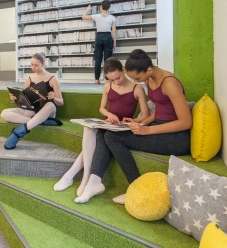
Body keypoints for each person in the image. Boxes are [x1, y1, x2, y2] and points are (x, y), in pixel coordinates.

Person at [81, 49, 193, 204]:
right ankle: (95, 180)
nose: (135, 81)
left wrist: (147, 130)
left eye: (137, 78)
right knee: (106, 133)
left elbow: (186, 122)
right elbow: (161, 111)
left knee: (112, 138)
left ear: (148, 69)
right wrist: (138, 122)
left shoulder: (170, 83)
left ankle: (136, 188)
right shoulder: (149, 79)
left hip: (177, 138)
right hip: (158, 126)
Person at [53, 57, 149, 203]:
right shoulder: (107, 87)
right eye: (112, 79)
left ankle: (72, 177)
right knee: (88, 129)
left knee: (100, 138)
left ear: (123, 70)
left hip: (124, 127)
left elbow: (146, 115)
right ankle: (86, 179)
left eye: (118, 77)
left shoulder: (138, 89)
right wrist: (109, 114)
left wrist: (133, 121)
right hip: (108, 123)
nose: (116, 82)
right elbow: (102, 108)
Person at [3, 53, 64, 150]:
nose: (33, 67)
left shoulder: (53, 78)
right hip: (33, 111)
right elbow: (25, 100)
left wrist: (54, 98)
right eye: (31, 65)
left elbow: (61, 102)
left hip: (48, 111)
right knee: (4, 113)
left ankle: (19, 132)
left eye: (36, 65)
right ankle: (40, 122)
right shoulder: (28, 79)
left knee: (50, 105)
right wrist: (15, 99)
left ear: (44, 64)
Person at [82, 0, 116, 84]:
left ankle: (96, 79)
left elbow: (83, 17)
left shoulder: (97, 16)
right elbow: (114, 31)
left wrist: (88, 9)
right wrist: (115, 42)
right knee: (108, 60)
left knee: (98, 59)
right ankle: (107, 80)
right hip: (108, 37)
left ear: (101, 7)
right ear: (108, 8)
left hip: (99, 37)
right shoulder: (112, 17)